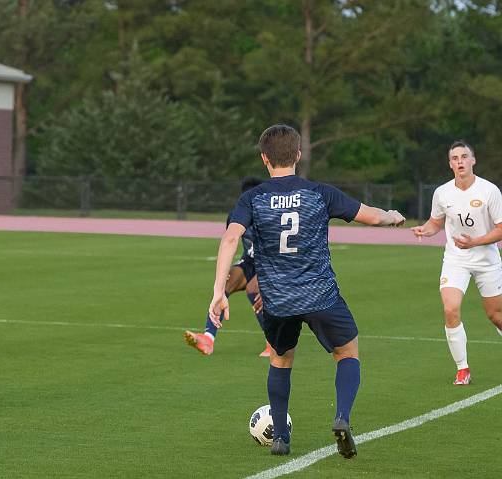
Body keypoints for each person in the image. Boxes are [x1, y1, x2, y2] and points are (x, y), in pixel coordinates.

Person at [208, 124, 405, 457]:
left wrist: (219, 291)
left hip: (276, 299)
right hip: (320, 295)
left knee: (281, 358)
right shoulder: (320, 192)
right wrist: (391, 216)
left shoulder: (252, 198)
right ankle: (342, 417)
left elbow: (230, 239)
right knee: (347, 353)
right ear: (298, 154)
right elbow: (369, 217)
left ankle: (281, 438)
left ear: (264, 159)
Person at [412, 140, 502, 386]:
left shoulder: (489, 191)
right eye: (455, 158)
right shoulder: (442, 193)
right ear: (450, 164)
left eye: (464, 156)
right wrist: (425, 230)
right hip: (456, 259)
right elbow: (435, 223)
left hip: (486, 260)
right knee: (450, 309)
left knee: (495, 315)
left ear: (473, 161)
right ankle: (462, 369)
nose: (460, 161)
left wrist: (476, 242)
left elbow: (501, 229)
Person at [184, 176, 272, 357]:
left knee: (253, 288)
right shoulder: (236, 215)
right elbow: (231, 243)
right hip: (249, 262)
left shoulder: (270, 215)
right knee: (225, 282)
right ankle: (208, 339)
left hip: (271, 263)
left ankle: (273, 343)